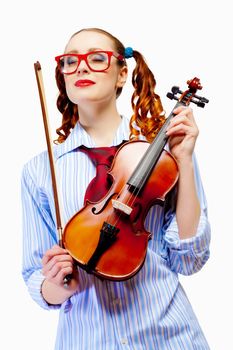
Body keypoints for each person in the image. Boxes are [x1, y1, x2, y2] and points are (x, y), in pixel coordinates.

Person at [21, 27, 211, 349]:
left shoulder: (162, 157)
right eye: (70, 61)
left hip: (170, 338)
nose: (81, 67)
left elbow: (189, 259)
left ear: (122, 74)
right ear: (63, 76)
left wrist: (184, 161)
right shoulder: (40, 171)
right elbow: (36, 279)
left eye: (97, 58)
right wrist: (59, 284)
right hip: (87, 340)